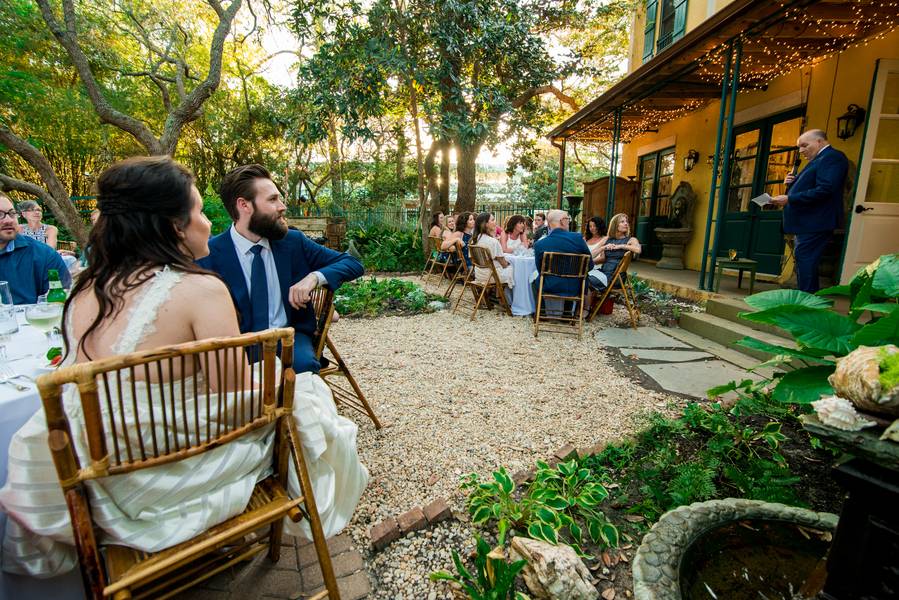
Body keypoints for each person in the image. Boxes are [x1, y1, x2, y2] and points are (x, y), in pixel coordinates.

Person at [0, 156, 367, 577]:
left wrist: (313, 281)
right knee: (310, 404)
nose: (208, 222)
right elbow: (238, 404)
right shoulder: (201, 286)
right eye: (197, 211)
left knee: (303, 380)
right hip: (172, 476)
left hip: (100, 476)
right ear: (175, 226)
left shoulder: (85, 289)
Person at [198, 164, 363, 374]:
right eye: (272, 199)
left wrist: (313, 278)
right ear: (244, 205)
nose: (283, 206)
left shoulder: (292, 242)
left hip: (289, 338)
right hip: (239, 344)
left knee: (302, 369)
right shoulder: (210, 253)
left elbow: (352, 264)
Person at [770, 129, 849, 293]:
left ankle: (807, 301)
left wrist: (789, 199)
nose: (801, 151)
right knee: (804, 259)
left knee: (806, 259)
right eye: (799, 147)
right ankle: (806, 298)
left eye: (804, 145)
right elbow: (813, 185)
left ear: (819, 141)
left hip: (816, 221)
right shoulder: (819, 160)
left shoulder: (832, 157)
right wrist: (791, 183)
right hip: (808, 222)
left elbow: (825, 189)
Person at [0, 193, 71, 304]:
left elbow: (61, 305)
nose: (9, 220)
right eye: (0, 214)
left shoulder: (45, 256)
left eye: (12, 213)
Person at [533, 209, 592, 299]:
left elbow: (540, 269)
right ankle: (571, 311)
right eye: (568, 219)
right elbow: (590, 265)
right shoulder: (577, 238)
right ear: (562, 221)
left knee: (534, 281)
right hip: (575, 287)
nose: (569, 222)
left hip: (550, 286)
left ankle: (541, 311)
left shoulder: (539, 244)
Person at [589, 213, 641, 291]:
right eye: (622, 222)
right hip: (603, 273)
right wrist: (604, 247)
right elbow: (590, 255)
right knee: (581, 278)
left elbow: (638, 250)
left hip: (615, 278)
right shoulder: (607, 239)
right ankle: (586, 303)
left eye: (626, 221)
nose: (626, 223)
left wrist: (621, 246)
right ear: (615, 225)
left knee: (583, 281)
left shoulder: (631, 240)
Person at [471, 212, 513, 290]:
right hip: (492, 276)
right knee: (515, 270)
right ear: (486, 224)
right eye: (493, 220)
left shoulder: (473, 240)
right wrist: (509, 265)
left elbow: (472, 259)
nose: (495, 222)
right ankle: (510, 298)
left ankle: (496, 295)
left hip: (479, 274)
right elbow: (503, 263)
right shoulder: (492, 242)